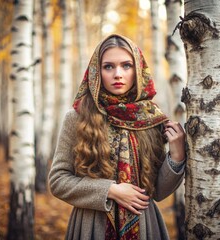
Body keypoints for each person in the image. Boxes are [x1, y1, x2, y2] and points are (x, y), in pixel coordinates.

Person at [48, 34, 186, 240]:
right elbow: (58, 180)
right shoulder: (78, 117)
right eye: (109, 66)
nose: (118, 74)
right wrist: (110, 190)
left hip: (145, 226)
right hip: (91, 226)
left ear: (138, 70)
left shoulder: (150, 119)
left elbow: (157, 191)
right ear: (96, 71)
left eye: (126, 65)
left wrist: (176, 156)